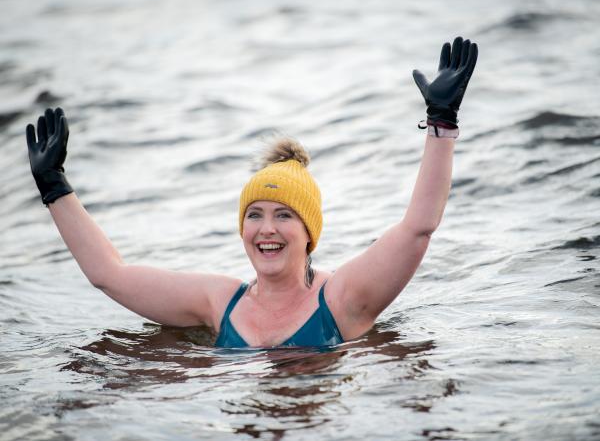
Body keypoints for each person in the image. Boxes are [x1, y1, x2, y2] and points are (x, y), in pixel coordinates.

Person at [25, 37, 478, 348]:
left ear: (309, 232)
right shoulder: (220, 302)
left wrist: (441, 122)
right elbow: (110, 275)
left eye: (284, 215)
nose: (266, 229)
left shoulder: (343, 299)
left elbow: (418, 228)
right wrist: (54, 187)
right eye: (254, 214)